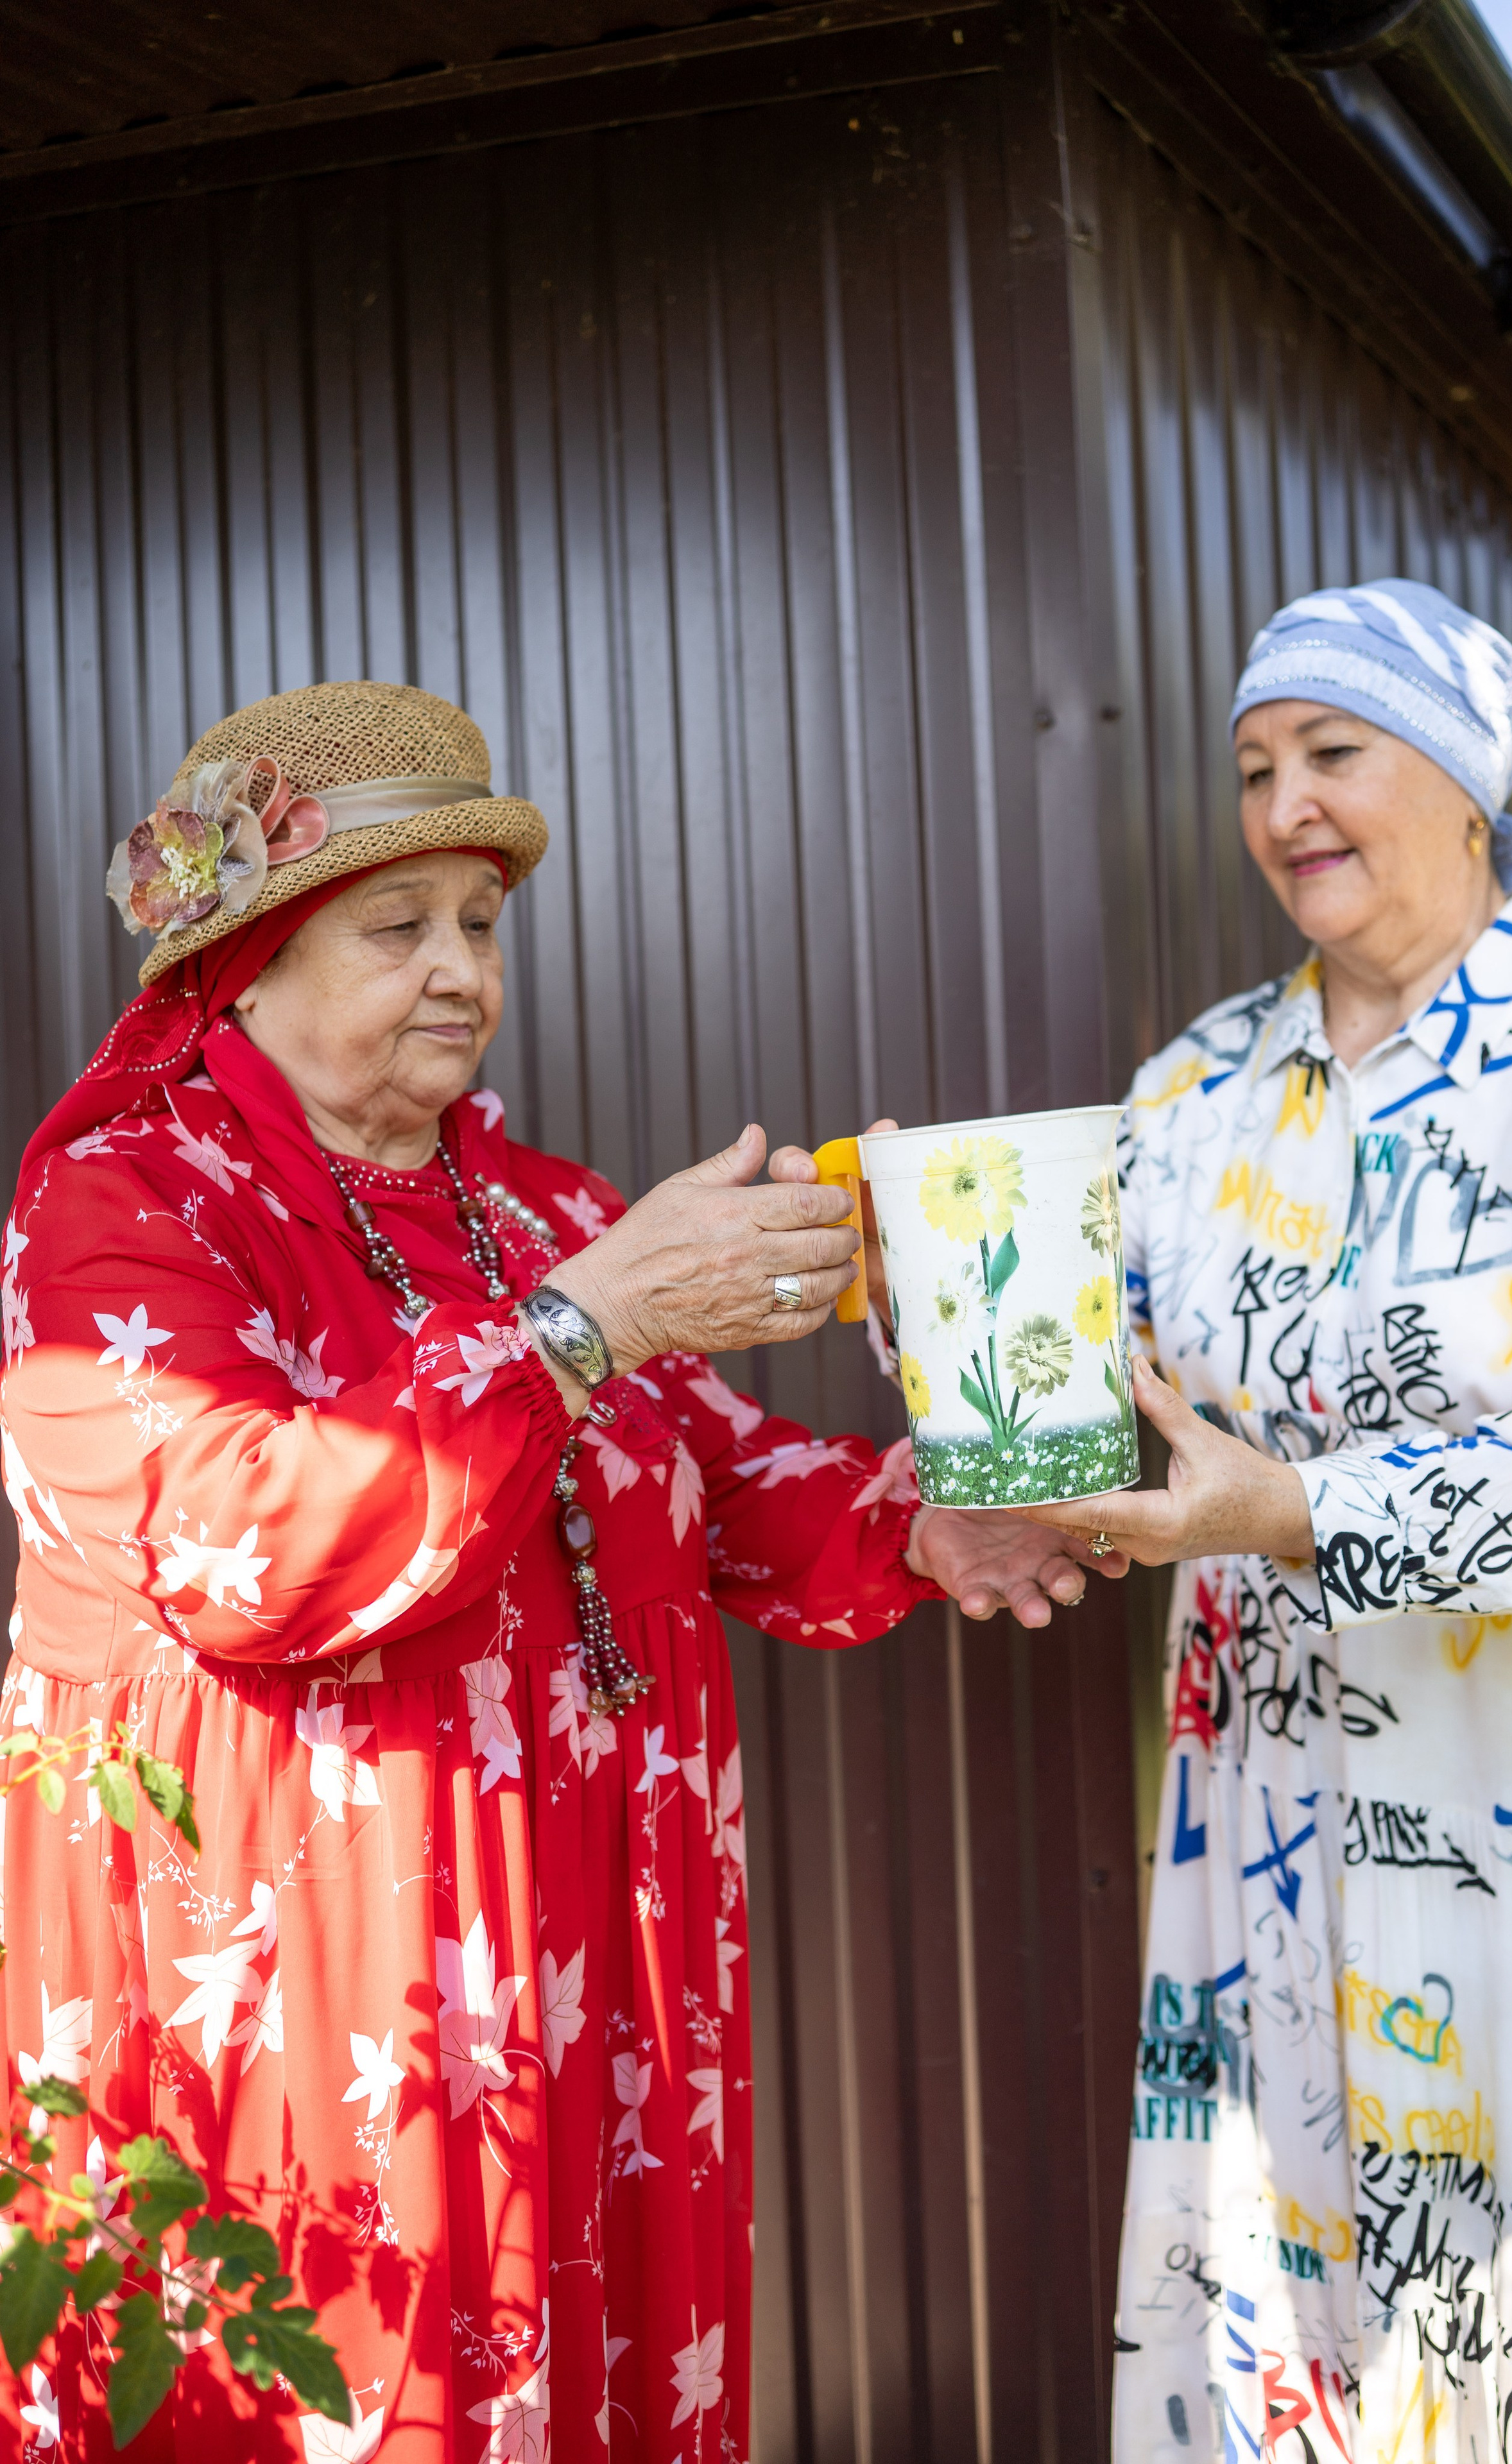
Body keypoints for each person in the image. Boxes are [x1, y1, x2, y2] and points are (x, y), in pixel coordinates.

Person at [0, 680, 1095, 2462]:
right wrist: (587, 1325)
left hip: (592, 1963)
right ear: (245, 959)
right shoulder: (129, 1204)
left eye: (483, 925)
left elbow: (719, 1489)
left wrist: (924, 1517)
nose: (463, 971)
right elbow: (241, 1540)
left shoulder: (543, 1210)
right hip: (318, 1978)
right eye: (398, 925)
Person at [1035, 581, 1512, 2458]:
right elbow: (1078, 1359)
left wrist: (1285, 1506)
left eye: (1334, 751)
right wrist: (927, 1290)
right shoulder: (1193, 1089)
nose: (1288, 801)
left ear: (1466, 786)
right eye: (1255, 767)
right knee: (1281, 2320)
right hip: (1269, 1821)